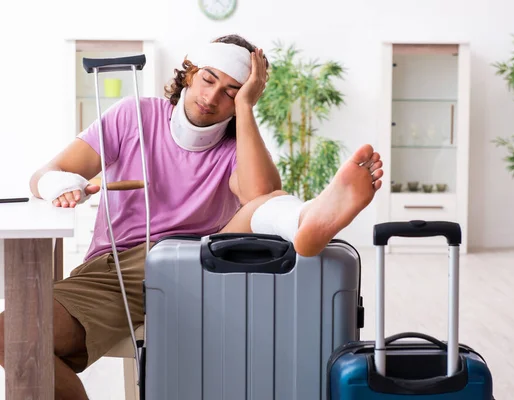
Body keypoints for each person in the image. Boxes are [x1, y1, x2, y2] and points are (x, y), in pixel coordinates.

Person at [0, 34, 383, 399]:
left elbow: (258, 197)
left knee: (262, 206)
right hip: (124, 266)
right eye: (208, 79)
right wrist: (63, 186)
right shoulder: (134, 115)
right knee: (12, 338)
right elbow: (43, 176)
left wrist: (247, 107)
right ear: (188, 73)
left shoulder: (237, 148)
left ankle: (306, 220)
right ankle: (305, 217)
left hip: (200, 264)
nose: (212, 96)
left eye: (232, 91)